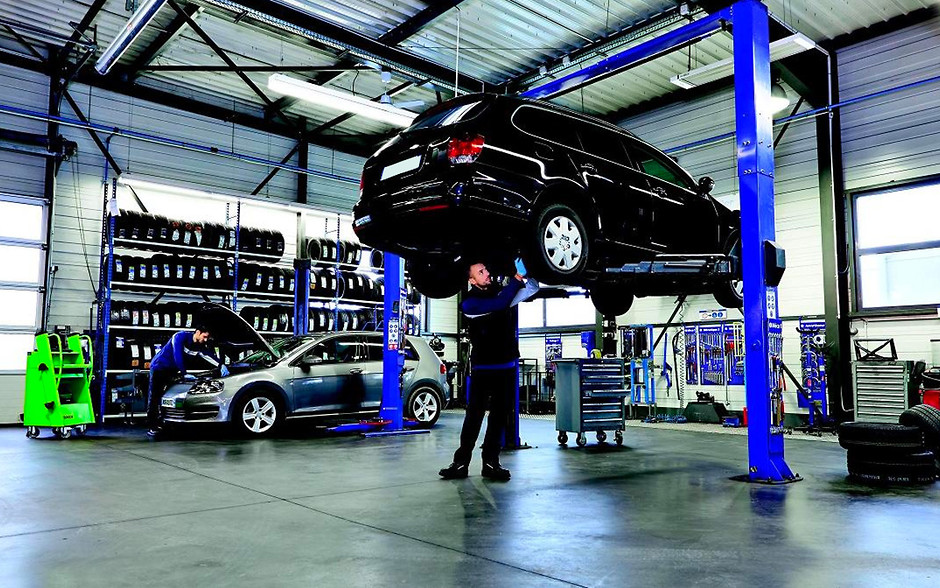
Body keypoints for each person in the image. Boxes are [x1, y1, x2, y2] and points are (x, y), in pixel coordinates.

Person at [440, 257, 539, 481]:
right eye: (481, 272)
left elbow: (532, 289)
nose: (487, 273)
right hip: (483, 369)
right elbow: (499, 304)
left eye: (486, 269)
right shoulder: (470, 304)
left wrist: (533, 268)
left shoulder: (501, 293)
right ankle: (460, 463)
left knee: (499, 417)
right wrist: (516, 278)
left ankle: (491, 463)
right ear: (472, 280)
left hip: (506, 368)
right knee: (474, 416)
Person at [147, 324, 228, 437]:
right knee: (155, 396)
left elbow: (208, 355)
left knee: (170, 396)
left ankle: (165, 421)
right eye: (204, 337)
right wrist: (184, 373)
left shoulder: (199, 346)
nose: (205, 340)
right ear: (198, 332)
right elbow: (177, 355)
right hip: (159, 367)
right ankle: (152, 425)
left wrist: (221, 365)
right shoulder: (180, 337)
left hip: (173, 371)